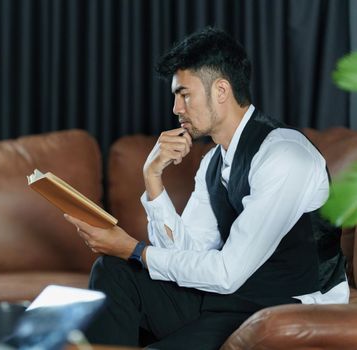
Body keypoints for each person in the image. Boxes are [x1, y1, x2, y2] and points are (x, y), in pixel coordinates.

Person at [64, 27, 349, 350]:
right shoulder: (213, 160)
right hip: (230, 298)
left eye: (184, 94)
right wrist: (153, 177)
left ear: (221, 91)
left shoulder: (284, 156)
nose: (176, 108)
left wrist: (134, 249)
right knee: (113, 271)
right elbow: (188, 254)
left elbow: (227, 272)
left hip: (282, 304)